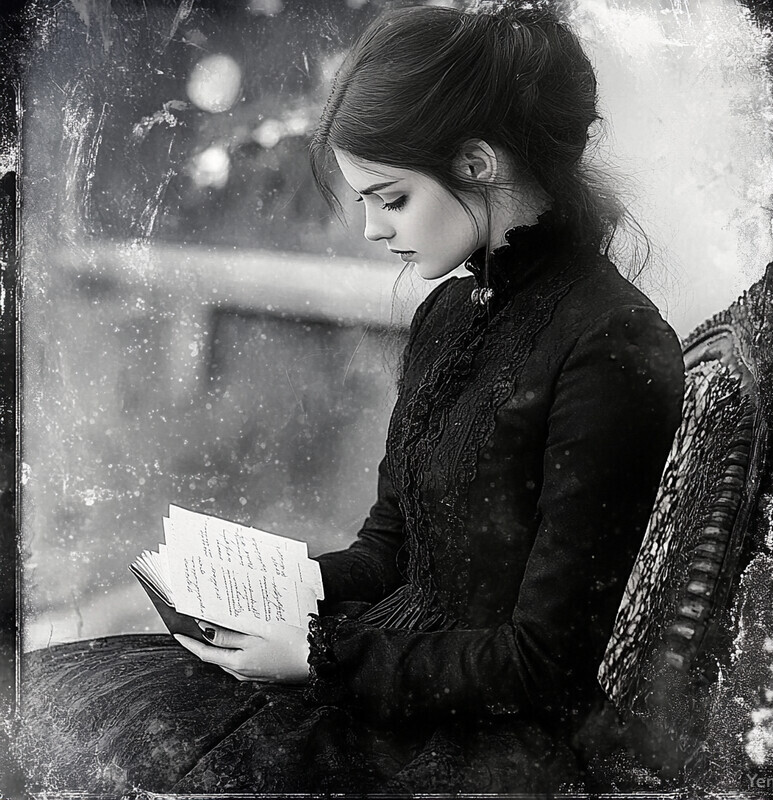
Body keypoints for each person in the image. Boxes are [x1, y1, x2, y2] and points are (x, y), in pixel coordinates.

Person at [20, 2, 685, 794]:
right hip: (382, 673)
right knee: (50, 693)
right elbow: (391, 548)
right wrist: (268, 589)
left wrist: (317, 655)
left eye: (390, 198)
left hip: (483, 742)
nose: (371, 230)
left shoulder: (610, 345)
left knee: (98, 744)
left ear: (477, 163)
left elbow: (545, 663)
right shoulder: (450, 311)